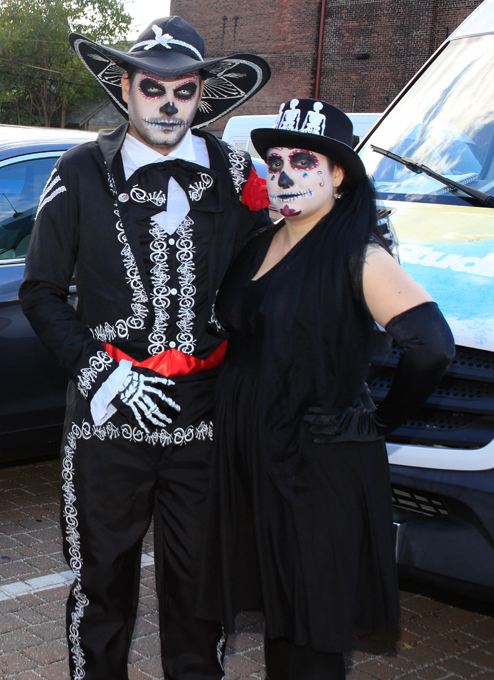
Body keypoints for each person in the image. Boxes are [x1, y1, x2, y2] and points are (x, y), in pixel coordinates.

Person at [19, 16, 271, 680]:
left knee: (198, 595)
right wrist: (104, 374)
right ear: (125, 90)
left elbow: (273, 271)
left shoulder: (235, 172)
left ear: (200, 97)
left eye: (183, 90)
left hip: (206, 421)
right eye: (152, 88)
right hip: (108, 425)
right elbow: (41, 292)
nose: (167, 103)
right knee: (103, 590)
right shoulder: (78, 171)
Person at [196, 99, 456, 680]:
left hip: (316, 467)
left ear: (339, 175)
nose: (283, 173)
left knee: (311, 625)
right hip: (254, 459)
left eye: (303, 160)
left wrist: (379, 421)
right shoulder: (261, 243)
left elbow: (432, 347)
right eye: (276, 159)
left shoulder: (360, 256)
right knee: (281, 613)